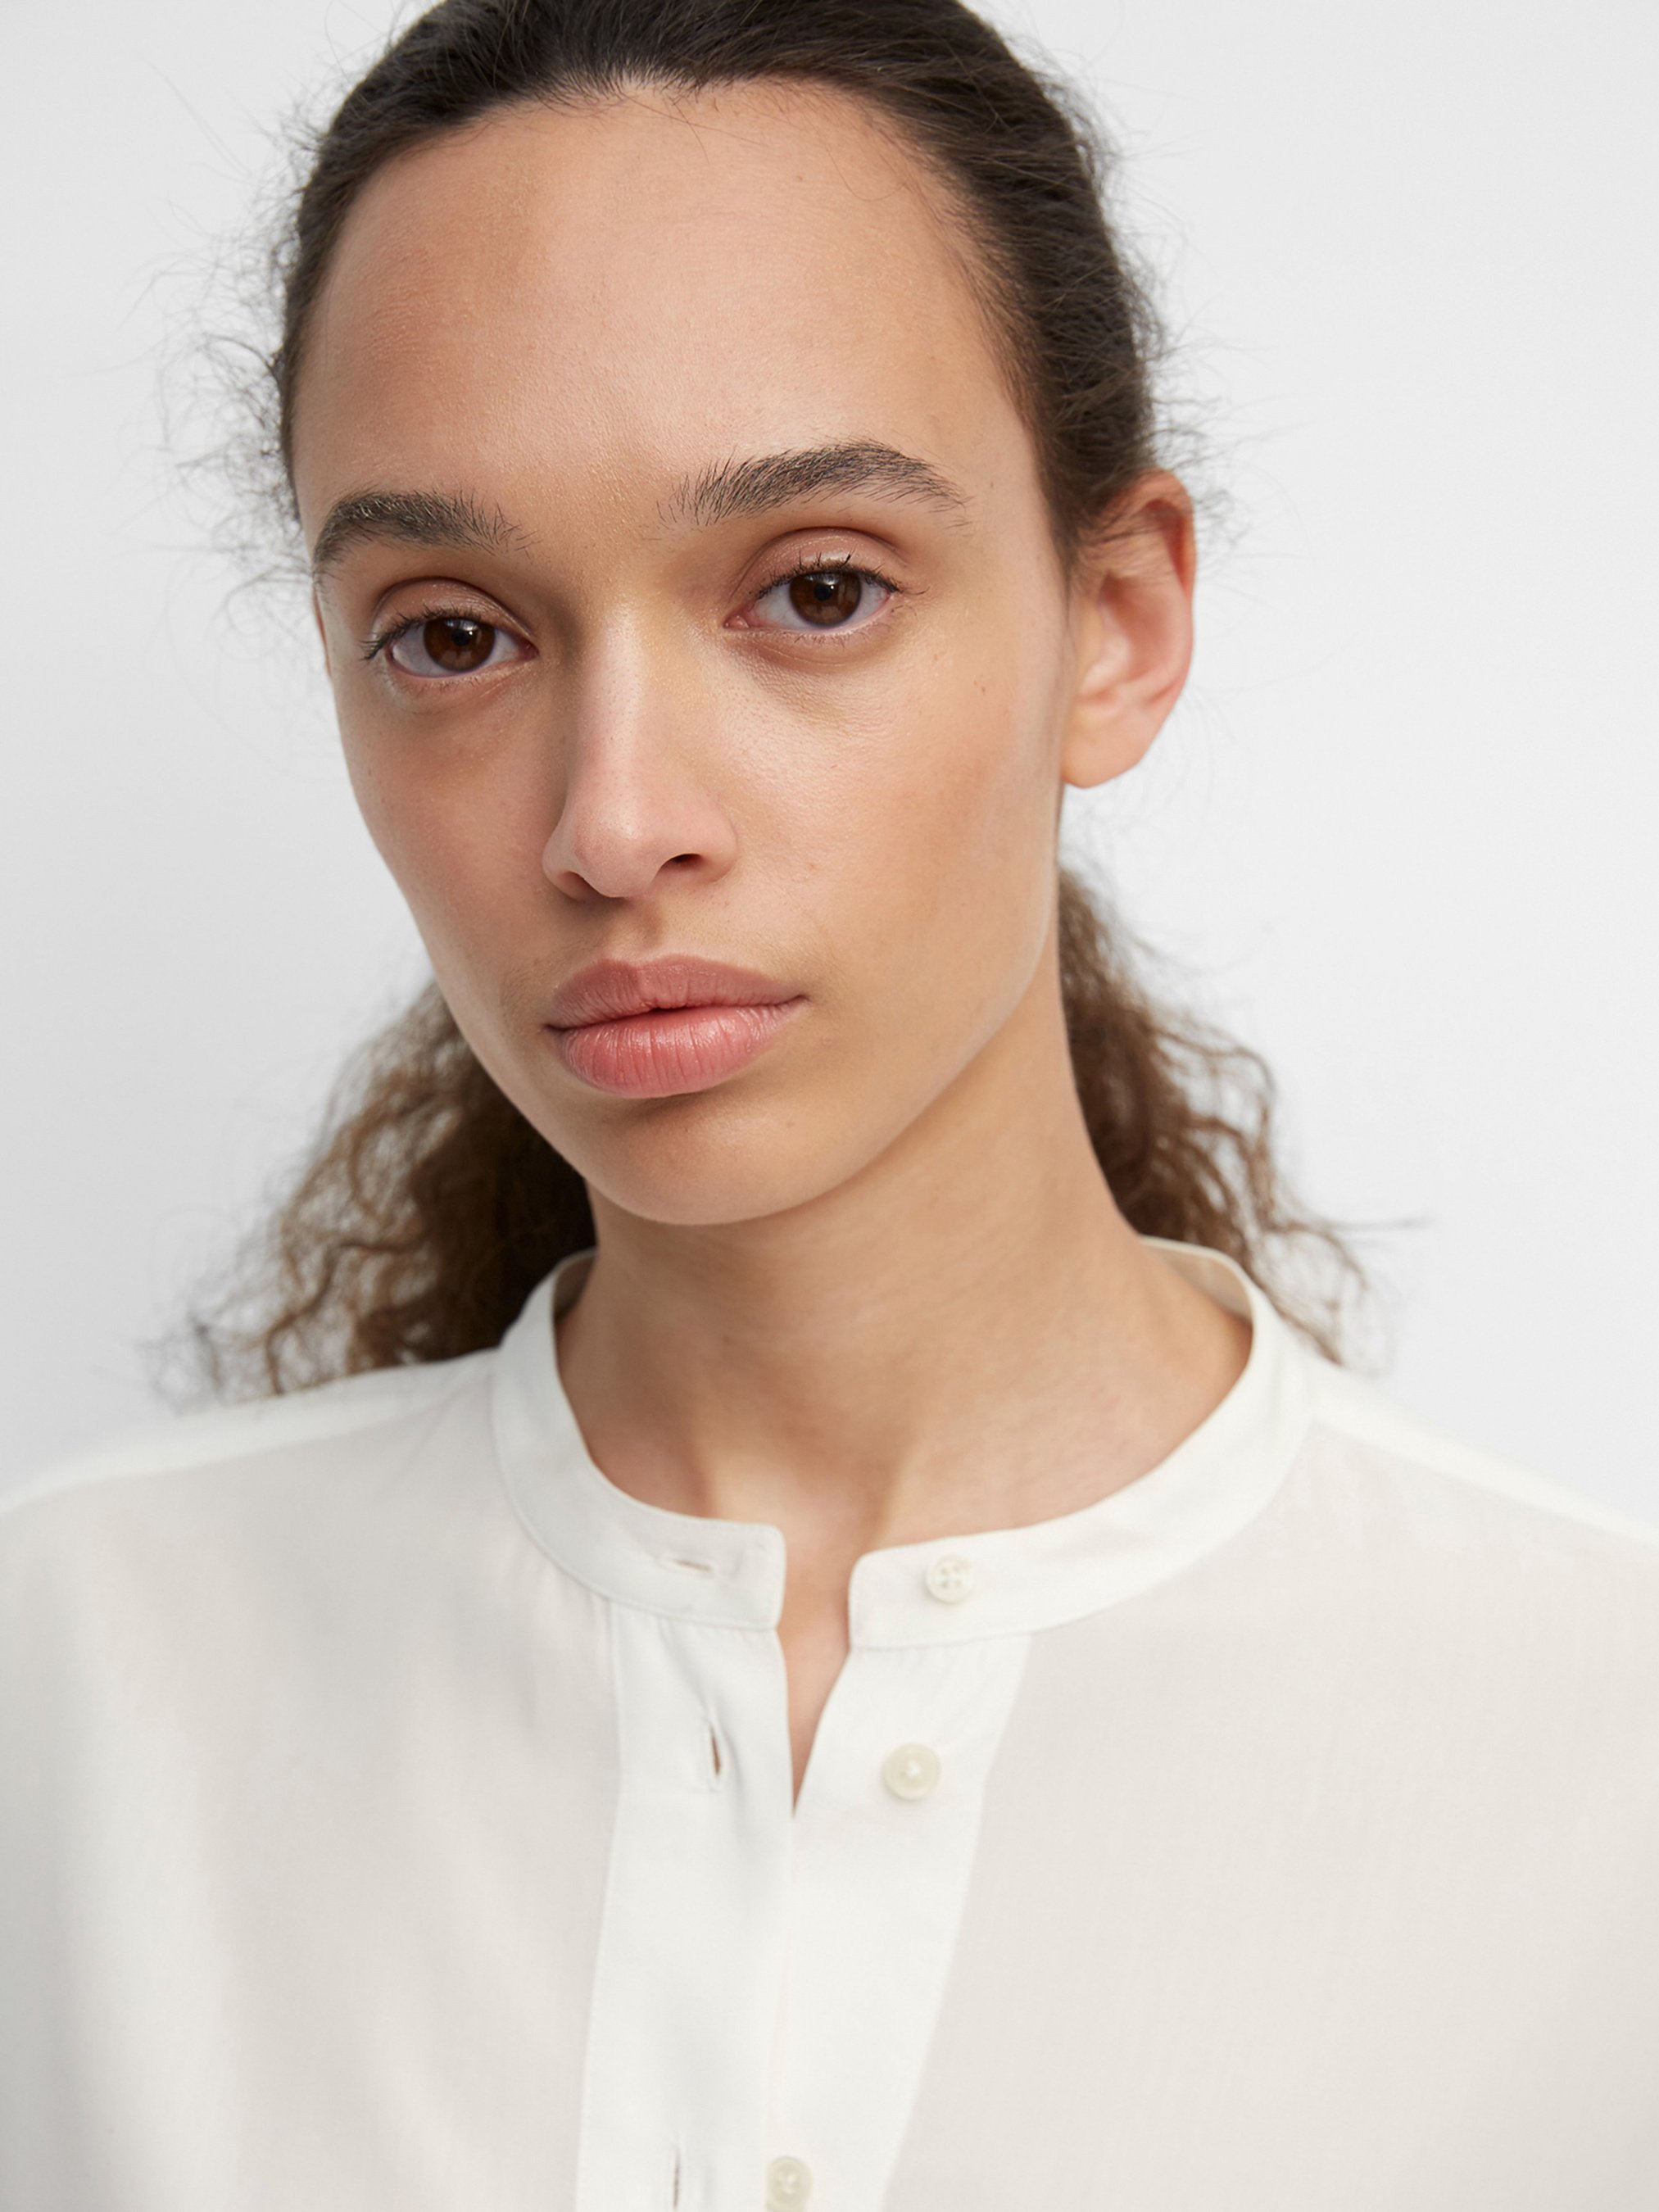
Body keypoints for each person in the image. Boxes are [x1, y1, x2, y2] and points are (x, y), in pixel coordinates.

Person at [5, 0, 1658, 2205]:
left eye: (813, 592)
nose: (614, 821)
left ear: (1114, 620)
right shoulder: (71, 1686)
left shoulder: (1604, 1768)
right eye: (452, 634)